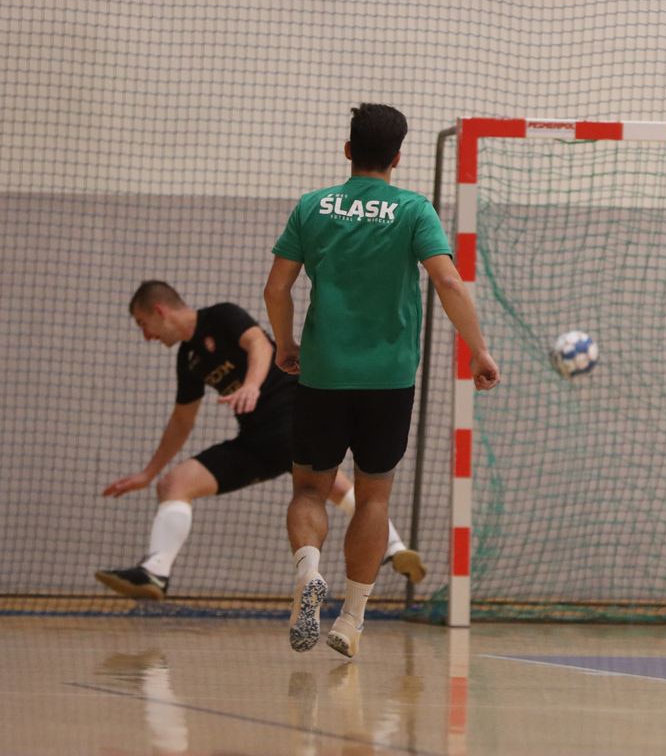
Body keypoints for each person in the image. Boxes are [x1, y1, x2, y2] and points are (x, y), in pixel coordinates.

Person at [265, 103, 499, 658]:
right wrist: (478, 349)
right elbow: (447, 280)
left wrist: (286, 344)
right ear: (398, 156)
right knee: (373, 496)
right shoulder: (414, 210)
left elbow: (276, 289)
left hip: (323, 373)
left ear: (348, 150)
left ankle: (308, 571)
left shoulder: (312, 206)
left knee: (308, 489)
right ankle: (350, 619)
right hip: (390, 379)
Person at [97, 281, 426, 601]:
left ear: (159, 310)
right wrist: (148, 473)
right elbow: (182, 420)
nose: (146, 335)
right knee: (174, 483)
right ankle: (156, 570)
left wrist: (252, 385)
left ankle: (393, 547)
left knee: (328, 486)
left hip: (293, 417)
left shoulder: (221, 316)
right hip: (256, 439)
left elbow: (260, 344)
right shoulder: (188, 359)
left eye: (144, 324)